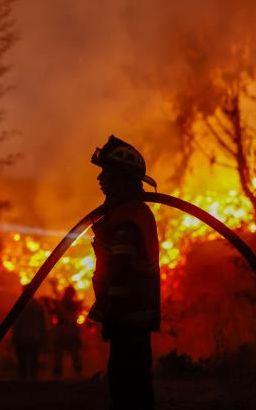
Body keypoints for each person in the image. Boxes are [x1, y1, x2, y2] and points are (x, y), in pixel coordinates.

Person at [88, 135, 161, 410]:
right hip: (132, 318)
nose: (101, 179)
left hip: (128, 317)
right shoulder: (127, 214)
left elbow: (121, 272)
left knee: (127, 385)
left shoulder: (126, 220)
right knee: (132, 381)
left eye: (106, 172)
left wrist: (112, 315)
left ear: (122, 179)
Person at [11, 285, 46, 380]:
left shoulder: (20, 305)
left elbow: (17, 322)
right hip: (35, 337)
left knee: (22, 361)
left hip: (22, 337)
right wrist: (43, 336)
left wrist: (14, 336)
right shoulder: (38, 305)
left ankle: (23, 380)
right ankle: (33, 381)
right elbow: (43, 324)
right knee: (33, 360)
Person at [52, 285, 83, 377]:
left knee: (61, 353)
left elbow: (55, 314)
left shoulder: (62, 304)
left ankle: (58, 373)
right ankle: (77, 372)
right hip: (70, 332)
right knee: (73, 353)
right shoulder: (73, 305)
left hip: (62, 332)